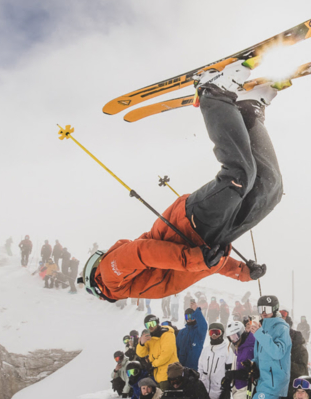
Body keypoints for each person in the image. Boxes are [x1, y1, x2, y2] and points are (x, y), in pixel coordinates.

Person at [79, 68, 281, 302]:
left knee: (238, 176)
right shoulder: (134, 288)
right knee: (269, 189)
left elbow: (140, 252)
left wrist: (197, 260)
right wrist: (243, 273)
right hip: (214, 239)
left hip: (187, 227)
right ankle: (249, 111)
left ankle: (211, 92)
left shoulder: (108, 278)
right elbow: (206, 264)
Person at [198, 322, 236, 399]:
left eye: (217, 333)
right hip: (206, 388)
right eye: (211, 332)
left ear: (222, 334)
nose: (214, 335)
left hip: (220, 388)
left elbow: (230, 368)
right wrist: (201, 380)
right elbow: (200, 366)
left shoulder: (227, 349)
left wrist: (227, 383)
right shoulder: (206, 349)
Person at [135, 315, 179, 390]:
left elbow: (166, 354)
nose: (150, 326)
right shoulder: (149, 337)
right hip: (157, 375)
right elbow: (141, 354)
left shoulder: (167, 334)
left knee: (165, 398)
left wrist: (152, 364)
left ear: (157, 322)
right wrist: (141, 344)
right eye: (148, 325)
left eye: (153, 323)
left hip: (169, 374)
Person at [175, 305, 207, 370]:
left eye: (192, 317)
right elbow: (177, 348)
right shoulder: (182, 332)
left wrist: (197, 312)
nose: (189, 319)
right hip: (181, 366)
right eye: (187, 317)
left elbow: (203, 325)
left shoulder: (199, 331)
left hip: (194, 367)